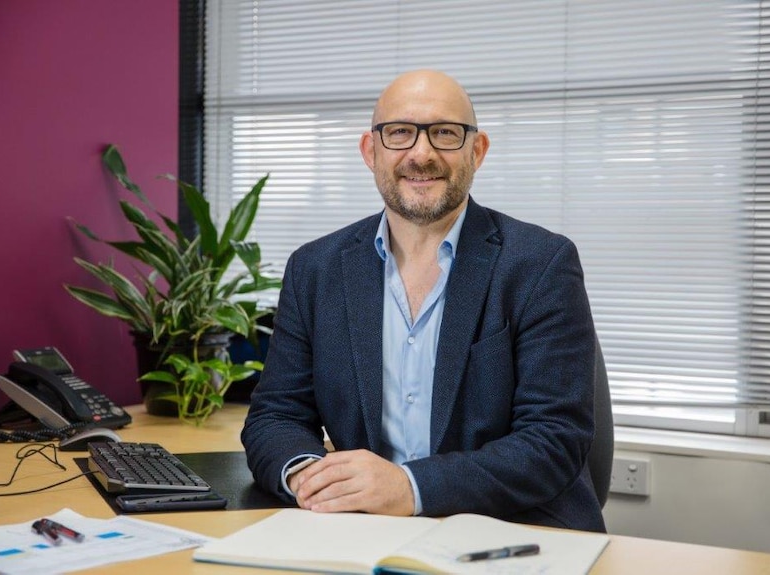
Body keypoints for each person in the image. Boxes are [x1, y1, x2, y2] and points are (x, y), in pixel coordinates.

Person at [242, 69, 605, 532]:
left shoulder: (541, 263)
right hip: (363, 530)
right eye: (399, 133)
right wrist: (311, 477)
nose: (421, 153)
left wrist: (408, 487)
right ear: (369, 151)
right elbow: (276, 415)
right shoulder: (315, 269)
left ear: (478, 151)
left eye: (445, 133)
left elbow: (553, 441)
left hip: (514, 530)